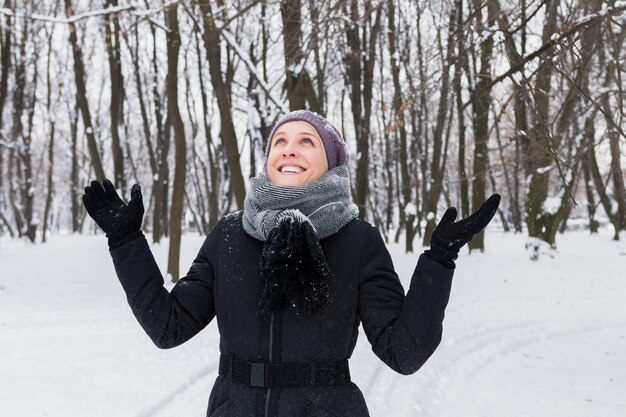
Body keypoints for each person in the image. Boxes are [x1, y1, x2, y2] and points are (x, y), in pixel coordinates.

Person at [83, 110, 500, 417]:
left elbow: (403, 353)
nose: (289, 149)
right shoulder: (229, 235)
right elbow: (168, 327)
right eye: (280, 141)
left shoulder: (358, 240)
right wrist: (125, 241)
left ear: (331, 161)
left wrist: (439, 261)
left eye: (306, 141)